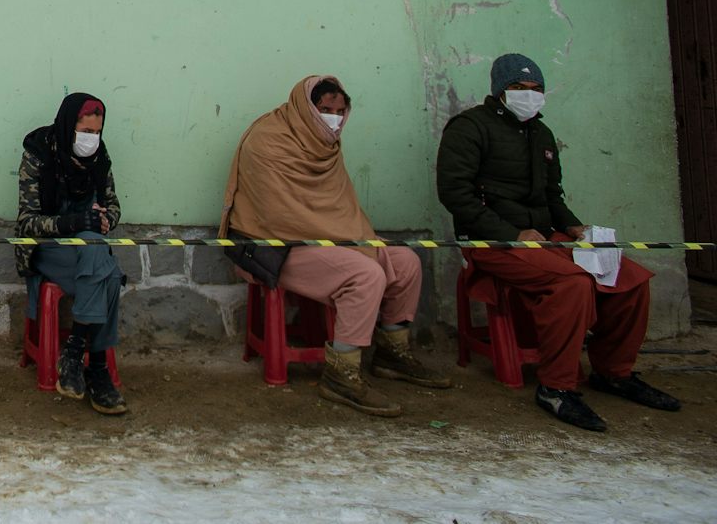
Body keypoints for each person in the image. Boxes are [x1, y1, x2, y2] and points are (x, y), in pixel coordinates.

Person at [437, 53, 679, 432]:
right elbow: (456, 195)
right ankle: (555, 387)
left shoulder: (541, 134)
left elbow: (552, 197)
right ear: (500, 90)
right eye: (519, 89)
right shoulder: (469, 128)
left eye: (536, 90)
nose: (529, 96)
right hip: (492, 242)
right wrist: (512, 234)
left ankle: (614, 372)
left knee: (628, 277)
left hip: (546, 238)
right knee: (572, 283)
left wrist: (575, 227)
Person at [221, 76, 448, 418]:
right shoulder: (267, 141)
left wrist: (354, 239)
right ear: (305, 107)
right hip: (274, 246)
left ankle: (392, 352)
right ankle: (341, 374)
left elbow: (339, 207)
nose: (334, 118)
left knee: (405, 262)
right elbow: (280, 215)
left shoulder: (325, 144)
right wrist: (350, 241)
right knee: (366, 273)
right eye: (324, 109)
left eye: (340, 111)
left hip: (329, 239)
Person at [16, 92, 129, 415]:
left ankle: (74, 354)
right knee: (107, 274)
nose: (91, 140)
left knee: (98, 254)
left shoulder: (100, 158)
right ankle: (97, 369)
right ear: (69, 127)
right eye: (85, 133)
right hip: (47, 248)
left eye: (96, 133)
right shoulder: (39, 153)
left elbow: (114, 205)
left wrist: (105, 218)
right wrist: (74, 221)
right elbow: (27, 222)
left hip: (87, 249)